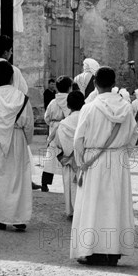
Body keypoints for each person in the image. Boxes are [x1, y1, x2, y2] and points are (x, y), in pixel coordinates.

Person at [71, 66, 138, 266]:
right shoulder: (126, 108)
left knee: (94, 205)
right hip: (118, 160)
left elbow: (78, 140)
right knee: (115, 205)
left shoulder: (89, 107)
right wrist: (122, 152)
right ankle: (114, 251)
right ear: (114, 84)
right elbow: (134, 136)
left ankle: (93, 250)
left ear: (94, 83)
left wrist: (81, 161)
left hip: (94, 160)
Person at [0, 34, 40, 190]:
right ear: (6, 52)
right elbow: (24, 93)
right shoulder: (14, 70)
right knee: (15, 173)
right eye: (10, 51)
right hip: (15, 126)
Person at [0, 61, 34, 231]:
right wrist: (26, 140)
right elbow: (28, 124)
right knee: (18, 178)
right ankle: (19, 218)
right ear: (12, 76)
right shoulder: (21, 97)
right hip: (17, 139)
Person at [53, 90, 85, 218]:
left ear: (68, 105)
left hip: (69, 161)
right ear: (83, 103)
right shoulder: (87, 119)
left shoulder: (63, 124)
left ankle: (70, 211)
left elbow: (58, 143)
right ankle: (84, 211)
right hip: (85, 160)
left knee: (70, 185)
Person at [41, 75, 72, 192]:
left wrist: (53, 124)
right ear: (69, 88)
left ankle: (45, 183)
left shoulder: (53, 102)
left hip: (54, 129)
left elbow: (46, 117)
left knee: (50, 158)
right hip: (67, 130)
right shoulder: (71, 99)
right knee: (68, 155)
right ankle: (69, 183)